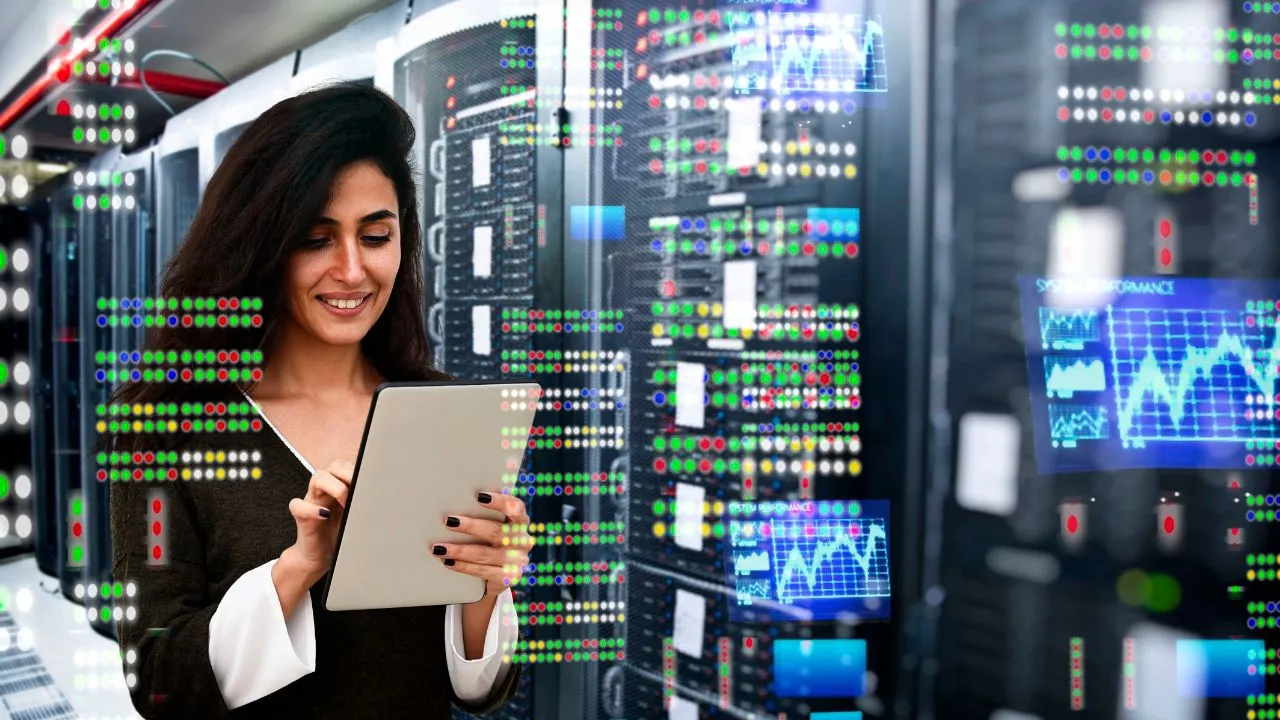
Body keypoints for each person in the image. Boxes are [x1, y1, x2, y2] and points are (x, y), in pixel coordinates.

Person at [107, 82, 531, 718]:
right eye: (316, 238)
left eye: (375, 236)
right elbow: (158, 678)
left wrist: (484, 585)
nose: (353, 270)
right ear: (264, 246)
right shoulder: (166, 427)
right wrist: (299, 568)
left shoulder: (440, 413)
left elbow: (476, 689)